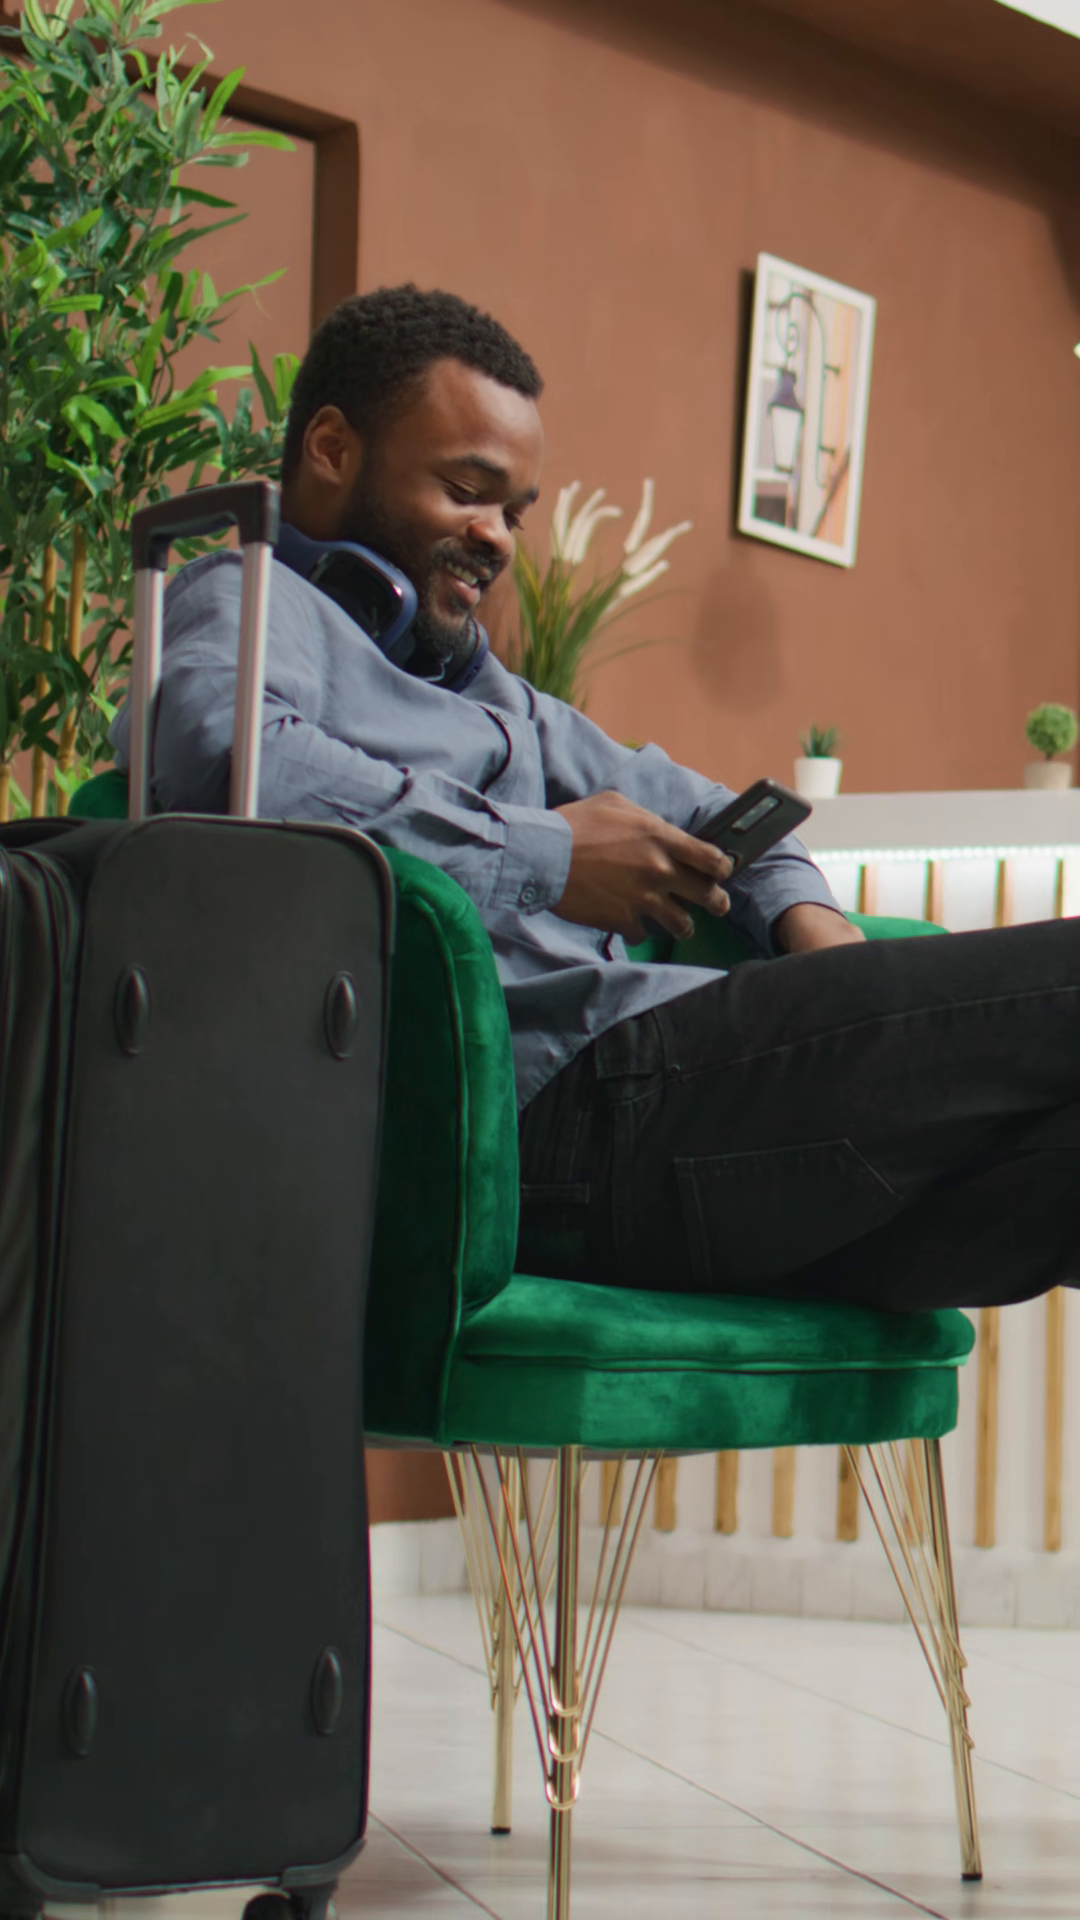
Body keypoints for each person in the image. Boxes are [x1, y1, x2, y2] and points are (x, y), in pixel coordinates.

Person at [114, 284, 1080, 1314]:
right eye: (467, 490)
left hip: (699, 1130)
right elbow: (233, 765)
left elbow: (712, 807)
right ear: (333, 449)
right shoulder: (249, 600)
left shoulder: (496, 696)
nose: (496, 537)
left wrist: (818, 933)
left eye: (513, 513)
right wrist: (547, 858)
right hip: (568, 1111)